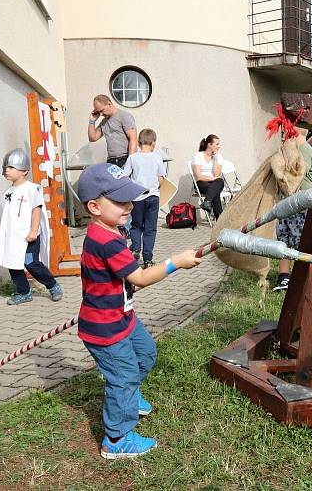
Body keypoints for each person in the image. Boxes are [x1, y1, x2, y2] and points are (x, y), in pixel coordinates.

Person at [76, 163, 201, 459]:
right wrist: (175, 263)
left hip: (122, 317)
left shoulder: (110, 229)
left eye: (129, 198)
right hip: (105, 328)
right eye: (119, 201)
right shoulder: (105, 240)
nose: (129, 206)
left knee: (145, 354)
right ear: (94, 206)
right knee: (124, 375)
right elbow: (140, 278)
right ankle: (116, 440)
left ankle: (127, 395)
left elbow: (126, 281)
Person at [0, 148, 63, 305]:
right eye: (6, 167)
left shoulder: (32, 189)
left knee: (30, 263)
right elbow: (11, 214)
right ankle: (23, 292)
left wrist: (33, 230)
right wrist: (2, 226)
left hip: (29, 236)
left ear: (24, 170)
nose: (6, 170)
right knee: (13, 263)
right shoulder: (9, 191)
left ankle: (52, 285)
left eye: (11, 167)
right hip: (14, 236)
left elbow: (36, 210)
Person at [273, 134, 312, 292]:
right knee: (284, 241)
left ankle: (303, 277)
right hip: (287, 205)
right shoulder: (291, 150)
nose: (284, 134)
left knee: (300, 242)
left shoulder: (304, 150)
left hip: (301, 206)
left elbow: (296, 175)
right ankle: (284, 276)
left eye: (287, 130)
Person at [122, 129, 167, 268]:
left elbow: (125, 176)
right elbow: (161, 179)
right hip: (153, 196)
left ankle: (135, 248)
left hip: (137, 197)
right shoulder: (157, 158)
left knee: (136, 225)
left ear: (139, 142)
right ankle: (147, 259)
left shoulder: (133, 158)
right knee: (150, 228)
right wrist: (156, 187)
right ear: (153, 143)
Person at [87, 95, 138, 168]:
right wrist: (92, 121)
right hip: (111, 161)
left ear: (109, 104)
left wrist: (130, 163)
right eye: (98, 112)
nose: (101, 114)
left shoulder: (124, 116)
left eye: (101, 110)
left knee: (125, 180)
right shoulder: (104, 122)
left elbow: (133, 138)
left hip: (124, 159)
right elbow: (92, 138)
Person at [192, 134, 225, 219]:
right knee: (215, 191)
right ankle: (220, 220)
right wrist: (213, 179)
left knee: (219, 181)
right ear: (209, 144)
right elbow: (199, 177)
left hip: (215, 183)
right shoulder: (198, 156)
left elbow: (216, 174)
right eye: (217, 144)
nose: (219, 146)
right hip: (201, 183)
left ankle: (207, 202)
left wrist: (215, 159)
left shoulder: (218, 157)